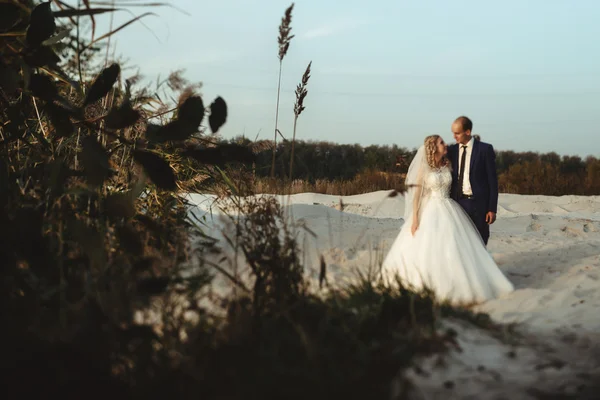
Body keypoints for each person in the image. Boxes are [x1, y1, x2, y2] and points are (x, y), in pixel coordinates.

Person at [381, 135, 514, 305]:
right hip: (431, 210)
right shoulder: (424, 169)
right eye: (441, 142)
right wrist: (415, 220)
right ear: (434, 148)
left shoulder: (447, 164)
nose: (445, 145)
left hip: (450, 208)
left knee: (454, 245)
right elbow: (416, 197)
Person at [448, 116, 497, 246]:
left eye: (457, 133)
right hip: (457, 203)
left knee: (480, 241)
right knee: (459, 242)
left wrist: (492, 209)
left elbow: (493, 182)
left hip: (478, 204)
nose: (454, 136)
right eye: (453, 133)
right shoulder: (451, 151)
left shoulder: (485, 150)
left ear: (468, 132)